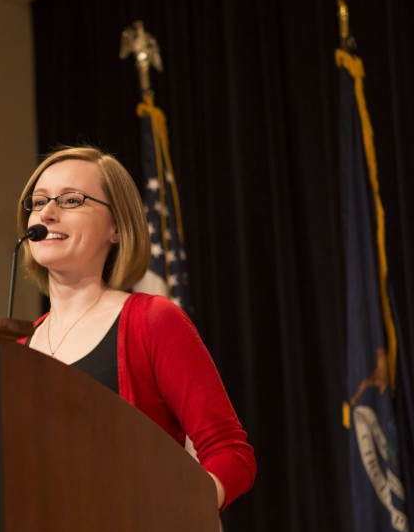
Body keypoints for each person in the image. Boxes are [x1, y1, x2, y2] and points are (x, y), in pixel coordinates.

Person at [16, 146, 255, 510]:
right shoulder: (14, 351)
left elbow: (230, 452)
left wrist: (175, 516)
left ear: (116, 225)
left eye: (71, 200)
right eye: (38, 202)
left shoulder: (152, 322)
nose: (47, 213)